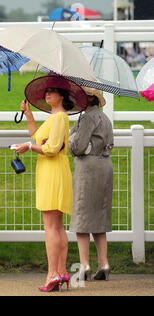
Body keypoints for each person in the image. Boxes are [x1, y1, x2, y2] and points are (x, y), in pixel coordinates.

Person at [14, 75, 87, 292]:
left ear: (62, 95)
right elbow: (38, 137)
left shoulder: (59, 117)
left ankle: (53, 273)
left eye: (53, 91)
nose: (48, 94)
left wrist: (28, 146)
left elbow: (52, 148)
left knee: (51, 227)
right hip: (52, 171)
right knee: (57, 226)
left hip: (53, 171)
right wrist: (28, 115)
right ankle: (60, 271)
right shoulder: (55, 117)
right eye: (47, 91)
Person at [69, 87, 114, 281]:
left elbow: (78, 147)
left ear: (86, 99)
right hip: (105, 165)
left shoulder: (86, 118)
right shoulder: (105, 118)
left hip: (88, 168)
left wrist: (71, 140)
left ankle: (85, 265)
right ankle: (104, 263)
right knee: (99, 217)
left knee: (82, 216)